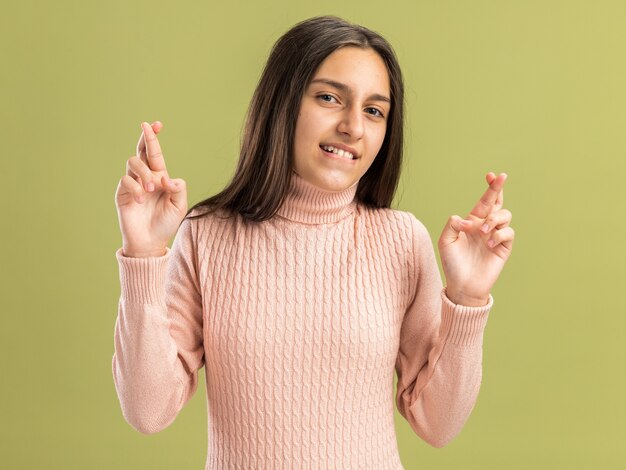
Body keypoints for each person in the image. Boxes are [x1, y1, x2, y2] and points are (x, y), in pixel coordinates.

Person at [112, 15, 514, 469]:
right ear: (282, 104)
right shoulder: (207, 234)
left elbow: (437, 425)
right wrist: (143, 254)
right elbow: (147, 411)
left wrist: (468, 297)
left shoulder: (403, 241)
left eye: (374, 110)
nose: (353, 127)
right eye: (329, 98)